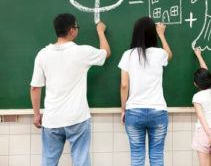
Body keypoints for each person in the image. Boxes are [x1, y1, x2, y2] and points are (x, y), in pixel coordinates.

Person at [30, 13, 111, 166]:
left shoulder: (43, 54)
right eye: (76, 26)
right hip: (77, 118)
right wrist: (100, 31)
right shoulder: (82, 52)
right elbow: (106, 52)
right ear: (72, 30)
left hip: (52, 119)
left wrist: (36, 115)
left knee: (48, 161)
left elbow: (35, 87)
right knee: (81, 161)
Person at [118, 17, 172, 166]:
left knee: (137, 156)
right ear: (152, 33)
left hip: (134, 111)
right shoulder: (160, 54)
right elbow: (170, 55)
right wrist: (162, 34)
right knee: (157, 156)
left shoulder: (128, 55)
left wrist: (123, 109)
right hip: (158, 111)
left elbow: (124, 85)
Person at [191, 48, 211, 166]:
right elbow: (206, 72)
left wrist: (210, 135)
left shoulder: (197, 97)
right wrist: (199, 56)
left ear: (196, 84)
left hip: (204, 132)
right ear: (210, 80)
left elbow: (201, 117)